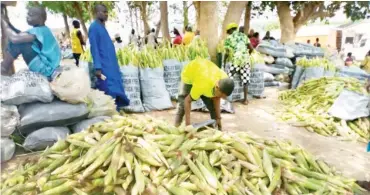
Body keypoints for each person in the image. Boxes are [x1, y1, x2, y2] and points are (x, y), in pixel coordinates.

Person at [1, 6, 61, 79]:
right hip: (48, 66)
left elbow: (15, 38)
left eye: (31, 15)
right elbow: (20, 34)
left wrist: (3, 22)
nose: (27, 17)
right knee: (21, 40)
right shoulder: (43, 30)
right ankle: (3, 67)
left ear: (40, 18)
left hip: (46, 70)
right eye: (27, 14)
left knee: (22, 43)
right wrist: (8, 23)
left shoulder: (40, 31)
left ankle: (3, 68)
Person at [175, 58, 235, 130]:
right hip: (189, 74)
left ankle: (216, 127)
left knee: (212, 106)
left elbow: (216, 98)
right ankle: (176, 125)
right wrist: (188, 127)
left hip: (204, 74)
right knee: (182, 104)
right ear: (217, 87)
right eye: (221, 96)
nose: (221, 98)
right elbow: (187, 101)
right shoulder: (202, 85)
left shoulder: (224, 79)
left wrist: (218, 118)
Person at [88, 4, 130, 109]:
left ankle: (117, 109)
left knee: (116, 86)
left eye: (107, 12)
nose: (106, 14)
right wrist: (98, 67)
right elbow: (94, 48)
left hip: (111, 64)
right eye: (104, 12)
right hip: (104, 65)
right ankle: (110, 111)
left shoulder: (102, 27)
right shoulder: (94, 27)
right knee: (108, 89)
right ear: (97, 13)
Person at [224, 22, 253, 105]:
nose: (228, 33)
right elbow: (251, 48)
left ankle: (227, 99)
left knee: (229, 77)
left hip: (236, 60)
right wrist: (247, 54)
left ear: (229, 30)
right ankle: (245, 100)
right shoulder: (244, 36)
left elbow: (227, 52)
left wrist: (224, 62)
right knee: (245, 79)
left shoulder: (229, 38)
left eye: (228, 31)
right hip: (245, 60)